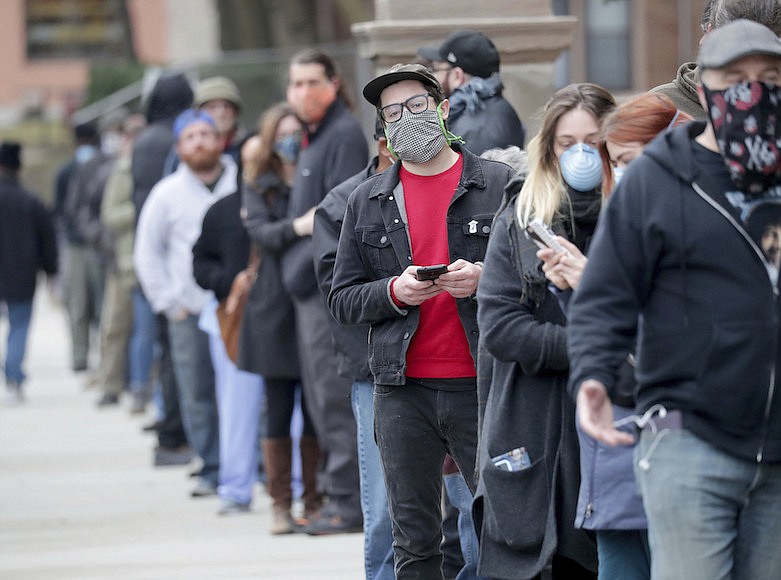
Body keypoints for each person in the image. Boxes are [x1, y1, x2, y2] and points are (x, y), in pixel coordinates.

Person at [568, 20, 781, 580]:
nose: (752, 90)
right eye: (734, 77)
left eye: (769, 76)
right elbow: (605, 295)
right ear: (704, 89)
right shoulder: (655, 181)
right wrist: (592, 374)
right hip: (690, 439)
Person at [329, 63, 514, 578]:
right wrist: (394, 290)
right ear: (383, 128)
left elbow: (534, 279)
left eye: (415, 106)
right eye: (392, 112)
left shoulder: (497, 184)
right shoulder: (366, 200)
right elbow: (342, 299)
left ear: (442, 109)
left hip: (482, 386)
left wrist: (484, 279)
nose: (406, 118)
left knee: (504, 525)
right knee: (413, 540)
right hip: (401, 389)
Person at [537, 92, 692, 580]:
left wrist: (591, 284)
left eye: (631, 158)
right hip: (616, 429)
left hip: (674, 429)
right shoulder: (622, 222)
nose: (624, 172)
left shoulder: (699, 226)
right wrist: (577, 290)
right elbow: (599, 332)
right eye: (619, 162)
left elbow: (674, 340)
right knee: (620, 560)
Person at [474, 82, 616, 580]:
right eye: (566, 142)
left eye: (593, 142)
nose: (580, 154)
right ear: (549, 148)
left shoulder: (636, 219)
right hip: (530, 422)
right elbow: (501, 327)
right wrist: (594, 347)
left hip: (611, 430)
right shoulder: (521, 218)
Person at [282, 48, 367, 534]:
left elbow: (336, 218)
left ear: (334, 84)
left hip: (324, 291)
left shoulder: (342, 135)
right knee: (317, 400)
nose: (302, 92)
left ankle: (347, 504)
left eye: (312, 82)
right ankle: (334, 497)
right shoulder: (313, 136)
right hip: (304, 292)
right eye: (294, 83)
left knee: (334, 401)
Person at [134, 109, 237, 498]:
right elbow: (147, 254)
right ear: (178, 147)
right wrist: (169, 302)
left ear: (220, 140)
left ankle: (249, 465)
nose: (198, 142)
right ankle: (211, 466)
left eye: (205, 134)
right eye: (190, 136)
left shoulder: (240, 180)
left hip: (237, 306)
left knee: (246, 392)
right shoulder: (167, 194)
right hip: (190, 309)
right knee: (196, 391)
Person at [313, 118, 395, 572]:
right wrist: (398, 291)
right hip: (375, 368)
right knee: (383, 503)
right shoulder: (342, 203)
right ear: (382, 143)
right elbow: (337, 290)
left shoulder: (464, 185)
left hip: (451, 365)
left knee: (465, 500)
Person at [240, 103, 321, 534]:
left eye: (297, 132)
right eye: (283, 133)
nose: (291, 140)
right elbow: (262, 234)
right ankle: (279, 503)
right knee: (277, 406)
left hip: (309, 300)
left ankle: (314, 496)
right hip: (272, 307)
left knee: (314, 405)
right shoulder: (259, 183)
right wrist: (299, 226)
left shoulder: (313, 176)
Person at [192, 172, 265, 516]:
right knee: (237, 407)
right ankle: (236, 488)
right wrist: (229, 282)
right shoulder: (221, 210)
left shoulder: (291, 205)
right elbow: (200, 263)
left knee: (294, 409)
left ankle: (298, 486)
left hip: (283, 318)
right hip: (233, 320)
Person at [131, 72, 193, 465]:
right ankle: (173, 434)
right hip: (172, 257)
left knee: (164, 348)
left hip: (151, 254)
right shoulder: (170, 138)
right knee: (176, 353)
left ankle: (170, 427)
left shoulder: (144, 140)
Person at [651, 0, 781, 120]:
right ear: (709, 35)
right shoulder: (660, 108)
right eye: (735, 75)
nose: (751, 87)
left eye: (768, 75)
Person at [100, 113, 150, 414]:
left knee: (146, 331)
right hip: (124, 262)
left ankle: (142, 385)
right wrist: (141, 208)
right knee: (116, 326)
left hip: (149, 263)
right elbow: (109, 215)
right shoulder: (121, 170)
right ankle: (112, 384)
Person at [0, 142, 58, 404]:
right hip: (21, 273)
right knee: (19, 325)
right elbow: (47, 239)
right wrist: (51, 270)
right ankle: (13, 375)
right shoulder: (30, 200)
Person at [418, 29, 525, 154]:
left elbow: (472, 173)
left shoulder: (475, 129)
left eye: (435, 69)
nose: (433, 77)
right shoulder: (490, 107)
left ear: (457, 76)